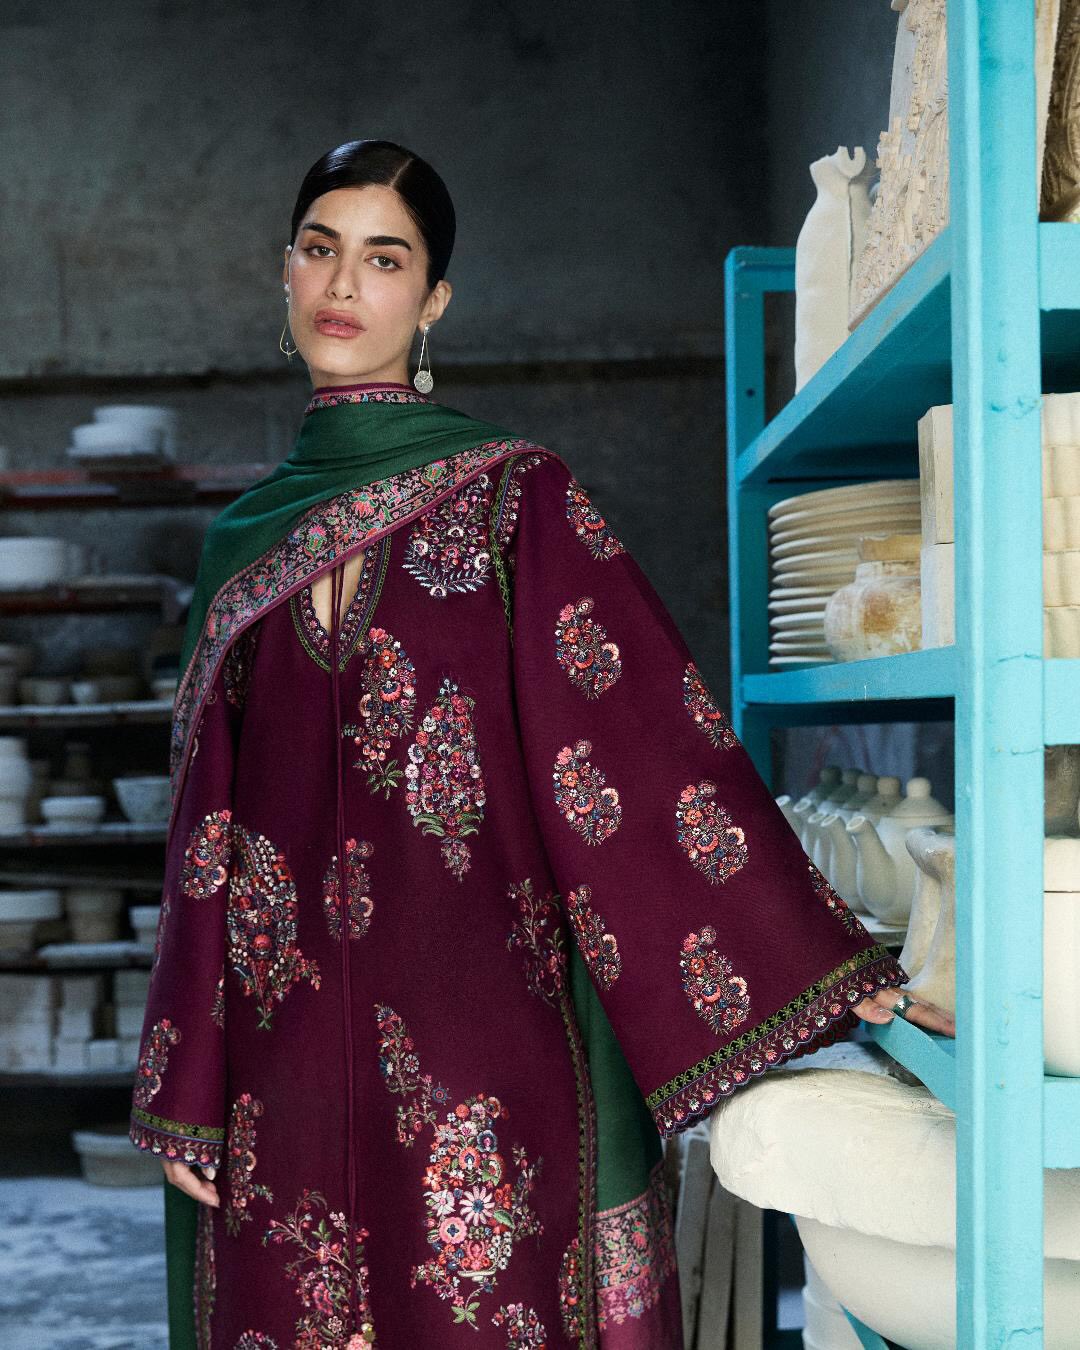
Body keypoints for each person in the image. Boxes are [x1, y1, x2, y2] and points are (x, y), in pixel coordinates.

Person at [128, 137, 953, 1350]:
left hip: (489, 1045)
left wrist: (809, 955)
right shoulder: (243, 542)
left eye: (385, 259)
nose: (344, 285)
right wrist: (188, 1077)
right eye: (320, 250)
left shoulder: (516, 500)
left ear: (433, 301)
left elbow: (643, 748)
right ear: (285, 272)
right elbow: (205, 835)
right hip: (283, 1059)